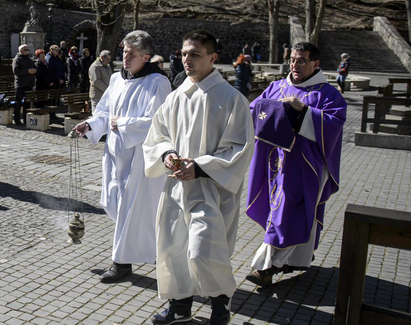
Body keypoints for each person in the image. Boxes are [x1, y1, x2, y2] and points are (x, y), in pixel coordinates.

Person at [142, 30, 254, 325]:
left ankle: (220, 306)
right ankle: (180, 308)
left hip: (211, 190)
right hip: (177, 187)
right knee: (174, 248)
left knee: (205, 249)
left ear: (213, 58)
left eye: (194, 54)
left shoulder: (232, 99)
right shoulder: (176, 96)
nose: (186, 60)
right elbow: (159, 134)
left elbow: (241, 148)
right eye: (183, 54)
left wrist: (201, 166)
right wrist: (166, 153)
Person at [245, 42, 346, 288]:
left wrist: (304, 111)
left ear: (315, 64)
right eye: (292, 59)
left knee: (287, 213)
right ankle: (295, 258)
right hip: (275, 165)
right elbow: (253, 110)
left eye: (301, 60)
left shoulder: (327, 94)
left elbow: (334, 123)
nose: (295, 64)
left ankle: (264, 268)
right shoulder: (276, 87)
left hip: (305, 168)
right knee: (278, 212)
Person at [72, 30, 170, 283]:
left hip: (139, 159)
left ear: (146, 57)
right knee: (114, 203)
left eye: (132, 54)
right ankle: (151, 250)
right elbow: (104, 112)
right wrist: (90, 125)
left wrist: (122, 124)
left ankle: (121, 264)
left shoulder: (157, 82)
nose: (125, 57)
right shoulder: (117, 79)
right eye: (124, 52)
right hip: (115, 154)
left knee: (130, 211)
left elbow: (157, 123)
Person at [11, 44, 36, 126]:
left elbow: (33, 68)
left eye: (27, 49)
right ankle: (17, 120)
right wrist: (27, 71)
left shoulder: (29, 59)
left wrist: (33, 70)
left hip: (28, 83)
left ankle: (26, 120)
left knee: (27, 103)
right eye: (25, 50)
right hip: (20, 84)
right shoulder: (17, 59)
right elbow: (16, 71)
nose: (27, 51)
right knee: (18, 103)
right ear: (20, 51)